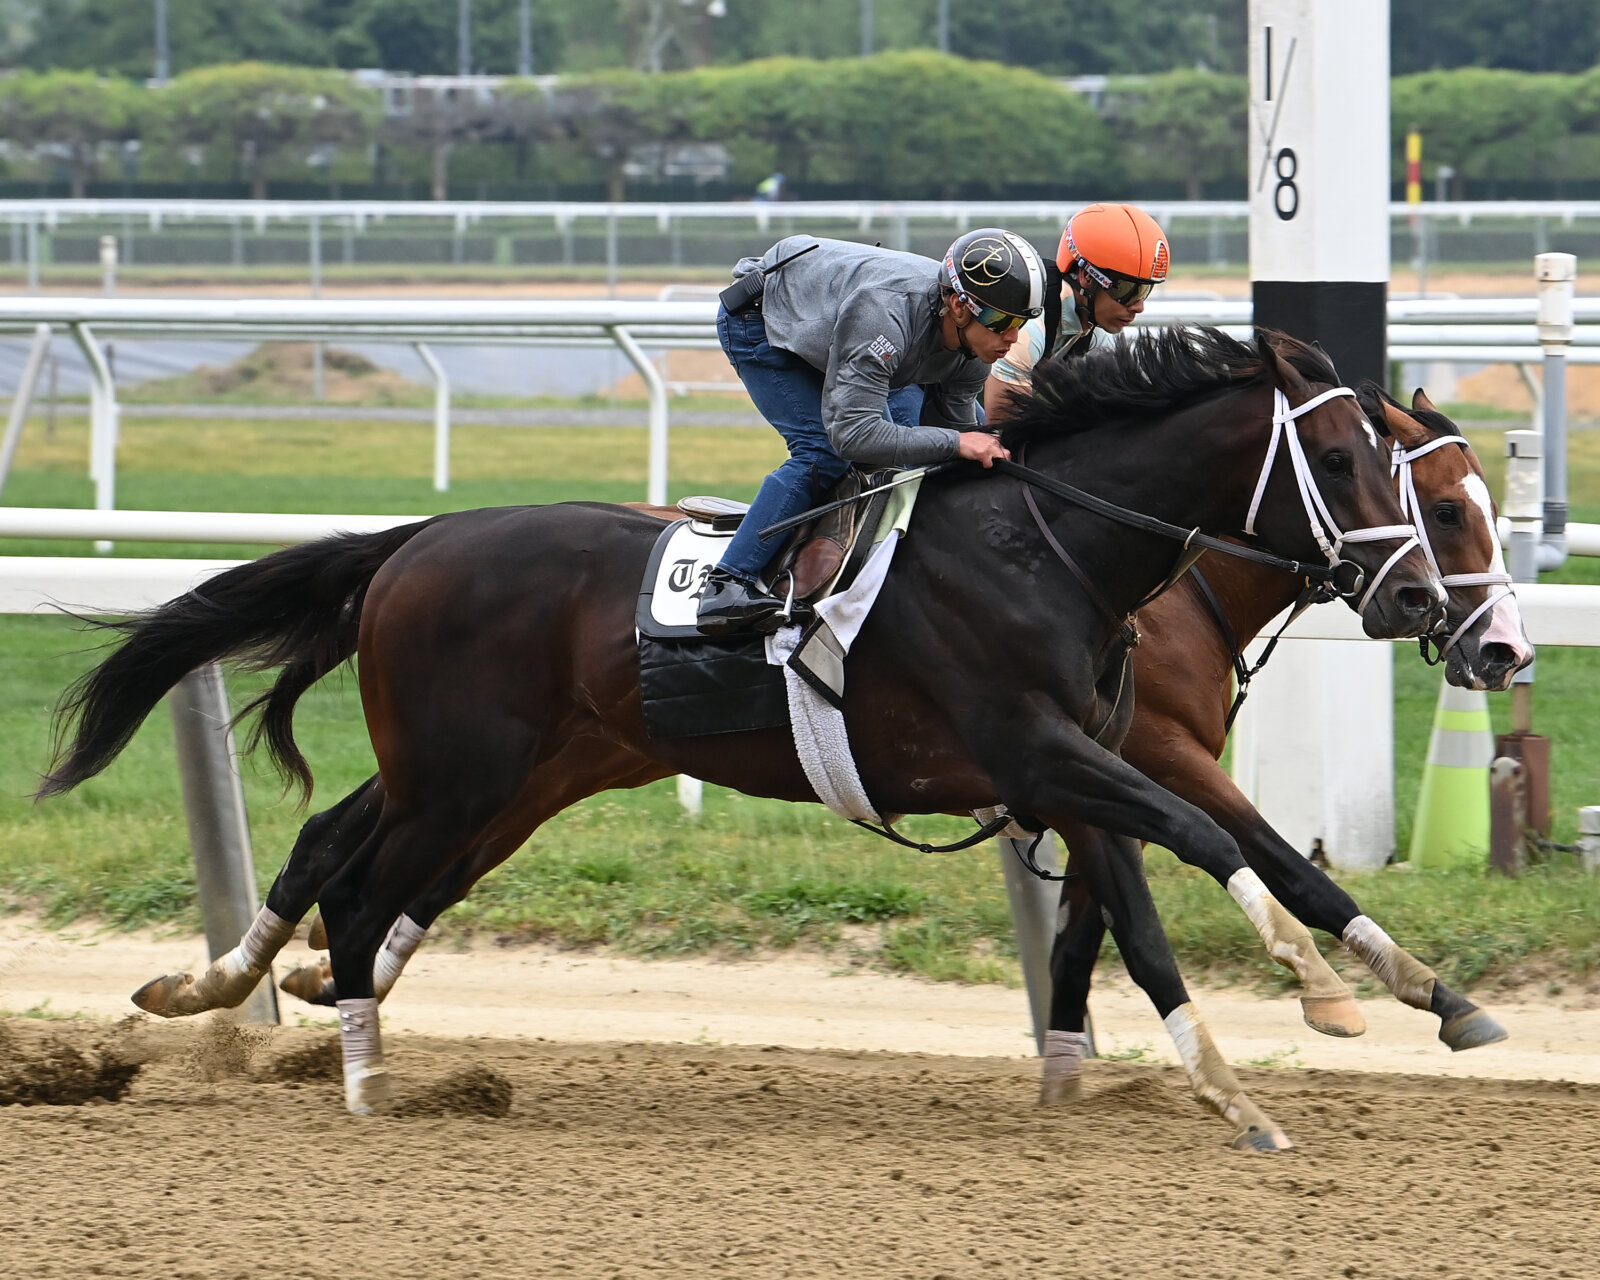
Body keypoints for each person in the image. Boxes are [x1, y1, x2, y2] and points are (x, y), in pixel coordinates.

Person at [697, 228, 1050, 634]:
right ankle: (727, 584)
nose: (1012, 337)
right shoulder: (883, 315)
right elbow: (854, 434)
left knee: (913, 448)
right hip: (763, 320)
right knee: (824, 452)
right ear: (957, 305)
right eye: (1002, 321)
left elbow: (952, 438)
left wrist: (966, 447)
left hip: (851, 327)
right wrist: (957, 442)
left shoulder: (976, 350)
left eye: (1021, 322)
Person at [985, 202, 1169, 418]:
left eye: (1144, 291)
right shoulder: (1029, 327)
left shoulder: (1096, 328)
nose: (1138, 306)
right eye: (1127, 290)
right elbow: (1003, 432)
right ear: (1087, 277)